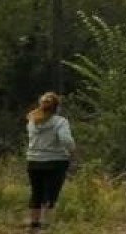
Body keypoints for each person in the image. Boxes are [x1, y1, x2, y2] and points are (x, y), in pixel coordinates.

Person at [25, 92, 76, 231]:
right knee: (50, 194)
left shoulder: (32, 120)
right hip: (55, 162)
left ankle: (34, 224)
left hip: (34, 161)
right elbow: (66, 140)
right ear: (57, 107)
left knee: (36, 192)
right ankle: (46, 225)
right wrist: (72, 150)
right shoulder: (60, 122)